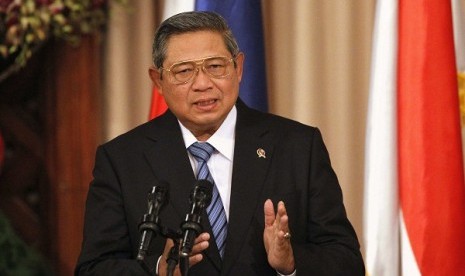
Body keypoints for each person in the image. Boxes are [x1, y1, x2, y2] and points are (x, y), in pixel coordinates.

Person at [75, 11, 365, 276]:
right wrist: (159, 269)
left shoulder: (297, 147)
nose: (203, 84)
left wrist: (291, 262)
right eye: (184, 71)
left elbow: (347, 261)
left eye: (215, 66)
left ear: (238, 68)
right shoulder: (122, 160)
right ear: (158, 81)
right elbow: (93, 269)